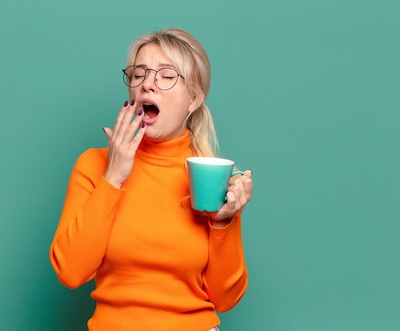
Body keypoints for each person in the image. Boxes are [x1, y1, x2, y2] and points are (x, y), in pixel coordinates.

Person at [49, 28, 253, 331]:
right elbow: (70, 272)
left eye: (166, 76)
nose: (147, 85)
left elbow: (225, 298)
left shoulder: (210, 175)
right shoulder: (94, 165)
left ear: (194, 99)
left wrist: (225, 221)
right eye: (139, 74)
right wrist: (113, 177)